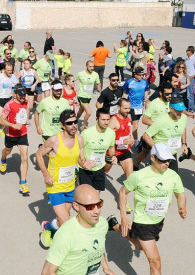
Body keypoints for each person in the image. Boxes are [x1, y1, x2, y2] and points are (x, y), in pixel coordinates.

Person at [21, 184, 117, 275]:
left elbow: (97, 244)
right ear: (76, 206)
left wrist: (105, 267)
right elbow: (47, 274)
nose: (97, 211)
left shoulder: (102, 224)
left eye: (99, 204)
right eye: (90, 207)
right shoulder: (66, 234)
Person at [118, 143, 187, 275]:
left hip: (158, 222)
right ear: (153, 158)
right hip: (143, 222)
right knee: (155, 261)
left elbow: (180, 193)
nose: (167, 164)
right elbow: (123, 192)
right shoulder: (139, 176)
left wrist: (181, 206)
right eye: (163, 160)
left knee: (140, 247)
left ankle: (114, 226)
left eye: (169, 161)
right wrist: (124, 216)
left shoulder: (172, 175)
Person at [35, 110, 93, 248]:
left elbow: (81, 160)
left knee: (63, 217)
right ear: (62, 125)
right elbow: (38, 154)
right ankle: (73, 250)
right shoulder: (54, 140)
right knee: (67, 222)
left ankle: (48, 227)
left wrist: (86, 164)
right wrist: (46, 174)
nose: (74, 125)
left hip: (70, 185)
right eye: (69, 123)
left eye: (75, 122)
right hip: (55, 186)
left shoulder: (79, 139)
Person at [140, 97, 189, 173]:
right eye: (178, 110)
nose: (181, 112)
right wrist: (158, 148)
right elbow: (146, 136)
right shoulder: (161, 120)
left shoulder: (184, 118)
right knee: (154, 179)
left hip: (172, 153)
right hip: (160, 155)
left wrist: (184, 144)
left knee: (173, 177)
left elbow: (183, 129)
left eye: (182, 110)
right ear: (171, 108)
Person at [0, 85, 30, 195]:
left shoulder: (25, 102)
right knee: (7, 151)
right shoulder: (9, 105)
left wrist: (26, 119)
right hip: (11, 135)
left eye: (24, 95)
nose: (23, 97)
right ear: (15, 94)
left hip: (22, 133)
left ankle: (23, 183)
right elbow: (1, 121)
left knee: (25, 157)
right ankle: (3, 159)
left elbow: (25, 112)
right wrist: (13, 125)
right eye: (20, 95)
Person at [105, 98, 135, 212]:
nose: (128, 110)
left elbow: (127, 132)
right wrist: (122, 142)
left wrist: (130, 138)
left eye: (129, 108)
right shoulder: (113, 121)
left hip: (124, 152)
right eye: (125, 108)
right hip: (113, 152)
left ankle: (123, 199)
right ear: (118, 108)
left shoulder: (128, 117)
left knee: (130, 178)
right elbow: (107, 140)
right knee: (104, 171)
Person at [134, 84, 173, 169]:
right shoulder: (154, 104)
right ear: (160, 93)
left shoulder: (170, 103)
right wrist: (157, 125)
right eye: (167, 94)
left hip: (164, 136)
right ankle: (135, 166)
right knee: (144, 154)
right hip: (152, 135)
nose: (170, 96)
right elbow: (144, 119)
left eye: (171, 93)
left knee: (160, 156)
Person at [78, 108, 116, 193]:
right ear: (97, 119)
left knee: (96, 196)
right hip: (86, 169)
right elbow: (77, 150)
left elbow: (111, 147)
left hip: (100, 168)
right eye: (103, 119)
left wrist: (113, 156)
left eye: (108, 119)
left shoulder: (111, 133)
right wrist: (83, 163)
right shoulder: (86, 133)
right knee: (86, 196)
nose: (106, 122)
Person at [122, 67, 149, 141]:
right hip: (132, 106)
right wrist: (124, 100)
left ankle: (131, 132)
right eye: (140, 75)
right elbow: (122, 90)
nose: (141, 76)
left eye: (143, 75)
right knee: (135, 125)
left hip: (140, 107)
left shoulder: (144, 81)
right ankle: (136, 142)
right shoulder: (129, 82)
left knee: (136, 122)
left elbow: (147, 90)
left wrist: (145, 95)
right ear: (135, 74)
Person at [75, 60, 101, 130]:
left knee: (81, 110)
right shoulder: (80, 74)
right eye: (90, 66)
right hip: (81, 95)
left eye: (93, 66)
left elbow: (98, 82)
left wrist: (99, 87)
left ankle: (75, 119)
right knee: (88, 112)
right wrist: (73, 88)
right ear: (86, 66)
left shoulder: (95, 74)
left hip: (89, 96)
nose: (92, 68)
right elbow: (72, 80)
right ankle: (84, 125)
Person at [184, 46, 195, 112]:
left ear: (190, 51)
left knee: (189, 95)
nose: (186, 51)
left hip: (191, 79)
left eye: (187, 50)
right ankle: (186, 107)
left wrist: (193, 76)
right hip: (185, 78)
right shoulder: (186, 59)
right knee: (185, 94)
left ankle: (191, 109)